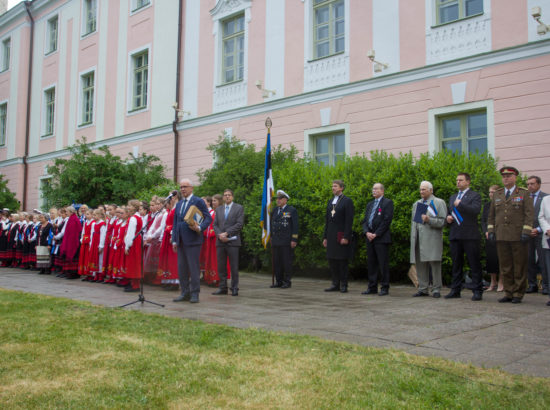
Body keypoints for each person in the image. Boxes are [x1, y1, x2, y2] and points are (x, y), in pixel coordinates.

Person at [488, 166, 534, 304]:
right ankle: (508, 292)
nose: (506, 178)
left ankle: (518, 294)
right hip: (501, 235)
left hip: (518, 235)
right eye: (504, 176)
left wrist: (526, 231)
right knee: (505, 266)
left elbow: (529, 214)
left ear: (515, 177)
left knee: (519, 265)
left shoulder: (524, 193)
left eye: (508, 176)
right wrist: (491, 231)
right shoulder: (498, 194)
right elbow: (491, 215)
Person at [172, 179, 212, 303]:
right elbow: (175, 223)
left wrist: (199, 227)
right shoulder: (178, 204)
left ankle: (195, 293)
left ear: (191, 188)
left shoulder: (198, 201)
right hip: (181, 241)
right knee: (182, 268)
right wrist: (174, 240)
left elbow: (208, 218)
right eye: (181, 187)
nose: (182, 189)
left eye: (185, 186)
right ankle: (185, 292)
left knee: (193, 268)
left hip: (193, 240)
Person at [444, 173, 483, 301]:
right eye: (456, 180)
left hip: (470, 235)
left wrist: (460, 204)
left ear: (468, 182)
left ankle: (477, 290)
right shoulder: (453, 197)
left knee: (474, 264)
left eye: (460, 180)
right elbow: (450, 213)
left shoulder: (474, 195)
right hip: (455, 234)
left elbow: (475, 210)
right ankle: (455, 289)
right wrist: (448, 218)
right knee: (456, 264)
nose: (458, 182)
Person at [410, 181, 447, 298]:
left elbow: (442, 221)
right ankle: (423, 288)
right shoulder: (417, 204)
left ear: (431, 190)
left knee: (435, 264)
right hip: (418, 239)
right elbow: (414, 223)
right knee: (420, 265)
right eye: (420, 189)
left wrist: (429, 220)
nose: (421, 192)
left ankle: (436, 289)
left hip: (432, 239)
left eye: (424, 189)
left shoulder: (438, 202)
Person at [360, 183, 393, 296]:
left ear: (382, 191)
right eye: (373, 189)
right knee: (371, 263)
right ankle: (372, 286)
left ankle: (384, 287)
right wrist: (367, 232)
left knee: (383, 264)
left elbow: (386, 220)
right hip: (370, 238)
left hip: (381, 238)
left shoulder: (387, 203)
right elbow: (365, 220)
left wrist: (376, 234)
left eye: (376, 189)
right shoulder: (370, 204)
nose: (374, 191)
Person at [323, 180, 354, 293]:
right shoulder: (330, 201)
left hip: (341, 235)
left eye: (335, 186)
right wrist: (325, 237)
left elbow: (349, 221)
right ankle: (335, 283)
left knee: (342, 261)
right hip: (331, 235)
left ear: (341, 188)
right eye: (332, 186)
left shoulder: (347, 201)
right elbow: (327, 220)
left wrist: (346, 236)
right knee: (332, 260)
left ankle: (344, 284)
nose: (333, 188)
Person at [212, 189, 244, 296]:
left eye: (229, 195)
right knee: (221, 266)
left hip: (233, 241)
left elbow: (239, 224)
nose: (227, 197)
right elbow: (215, 225)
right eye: (225, 195)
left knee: (234, 266)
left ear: (232, 197)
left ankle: (234, 288)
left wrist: (226, 233)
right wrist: (220, 235)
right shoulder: (219, 209)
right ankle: (222, 287)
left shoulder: (238, 208)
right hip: (220, 241)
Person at [270, 190, 298, 289]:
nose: (278, 200)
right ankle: (279, 281)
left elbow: (295, 226)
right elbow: (271, 225)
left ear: (285, 200)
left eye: (280, 198)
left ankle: (287, 281)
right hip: (276, 240)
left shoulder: (291, 210)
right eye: (277, 199)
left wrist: (294, 239)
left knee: (286, 262)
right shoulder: (274, 210)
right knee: (277, 262)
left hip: (286, 241)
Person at [526, 176, 547, 294]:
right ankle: (532, 284)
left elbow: (547, 217)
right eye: (528, 184)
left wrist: (538, 229)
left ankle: (545, 285)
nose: (529, 186)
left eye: (532, 184)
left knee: (543, 260)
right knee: (529, 260)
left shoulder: (545, 197)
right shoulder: (525, 197)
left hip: (541, 233)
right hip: (528, 233)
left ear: (538, 184)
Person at [481, 185, 503, 292]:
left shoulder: (502, 204)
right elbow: (483, 220)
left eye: (493, 192)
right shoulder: (487, 205)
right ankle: (492, 282)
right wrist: (486, 231)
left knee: (501, 259)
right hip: (489, 236)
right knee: (491, 260)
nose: (491, 194)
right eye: (490, 192)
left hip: (500, 235)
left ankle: (501, 282)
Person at [121, 200, 144, 292]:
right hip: (137, 241)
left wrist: (127, 246)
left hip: (134, 242)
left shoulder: (133, 218)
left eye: (129, 205)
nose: (128, 207)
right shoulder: (138, 217)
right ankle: (133, 283)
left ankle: (135, 285)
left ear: (134, 207)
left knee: (133, 263)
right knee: (135, 262)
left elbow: (130, 233)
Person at [158, 192, 179, 288]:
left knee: (172, 259)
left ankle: (175, 281)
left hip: (171, 235)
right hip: (168, 234)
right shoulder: (172, 209)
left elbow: (176, 224)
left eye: (172, 197)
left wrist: (172, 235)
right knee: (168, 259)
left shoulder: (177, 209)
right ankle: (168, 279)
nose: (170, 200)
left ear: (175, 198)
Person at [59, 206, 82, 279]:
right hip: (69, 240)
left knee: (74, 256)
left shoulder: (74, 220)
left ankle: (73, 273)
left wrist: (70, 242)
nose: (66, 213)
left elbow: (74, 232)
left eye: (67, 212)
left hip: (73, 242)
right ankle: (69, 272)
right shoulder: (71, 219)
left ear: (71, 212)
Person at [537, 194, 550, 306]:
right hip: (548, 238)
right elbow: (541, 217)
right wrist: (547, 229)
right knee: (549, 268)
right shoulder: (546, 200)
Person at [88, 208, 107, 282]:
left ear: (99, 215)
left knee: (100, 259)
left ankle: (100, 275)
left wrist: (101, 246)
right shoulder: (94, 224)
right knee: (94, 259)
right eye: (93, 215)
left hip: (98, 244)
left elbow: (103, 236)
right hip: (94, 243)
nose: (93, 216)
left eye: (95, 215)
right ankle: (95, 274)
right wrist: (90, 244)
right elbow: (92, 234)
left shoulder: (102, 224)